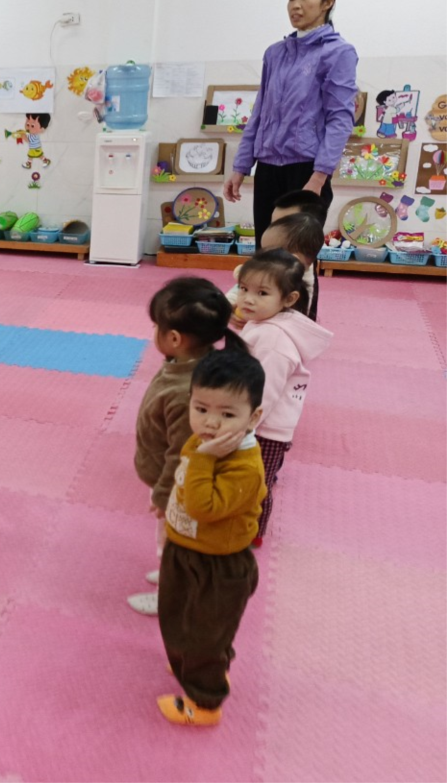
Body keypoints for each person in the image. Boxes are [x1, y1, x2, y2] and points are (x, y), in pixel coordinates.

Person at [157, 350, 268, 727]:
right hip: (184, 549)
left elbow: (204, 507)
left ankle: (204, 704)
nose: (211, 423)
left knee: (207, 634)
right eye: (201, 409)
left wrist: (204, 458)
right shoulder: (203, 442)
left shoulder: (244, 466)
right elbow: (185, 478)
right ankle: (193, 664)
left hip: (220, 566)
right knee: (175, 617)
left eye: (227, 415)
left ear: (253, 417)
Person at [128, 277, 247, 616]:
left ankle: (172, 594)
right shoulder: (183, 363)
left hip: (178, 487)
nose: (154, 331)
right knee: (169, 538)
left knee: (173, 540)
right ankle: (172, 576)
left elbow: (182, 453)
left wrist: (165, 494)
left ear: (175, 339)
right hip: (170, 478)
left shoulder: (187, 392)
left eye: (157, 326)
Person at [224, 0, 358, 242]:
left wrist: (319, 177)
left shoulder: (338, 52)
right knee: (266, 250)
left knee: (297, 254)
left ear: (327, 3)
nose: (295, 5)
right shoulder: (275, 53)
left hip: (307, 168)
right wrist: (240, 168)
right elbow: (259, 113)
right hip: (267, 167)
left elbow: (340, 119)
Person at [235, 250, 332, 545]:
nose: (248, 299)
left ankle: (252, 534)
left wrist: (242, 428)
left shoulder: (273, 339)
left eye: (262, 293)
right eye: (243, 289)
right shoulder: (263, 322)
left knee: (256, 483)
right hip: (257, 420)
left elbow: (265, 390)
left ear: (288, 299)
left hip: (264, 428)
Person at [228, 211, 326, 326]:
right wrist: (229, 307)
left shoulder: (292, 280)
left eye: (269, 253)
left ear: (291, 259)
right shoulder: (283, 270)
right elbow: (242, 289)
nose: (262, 257)